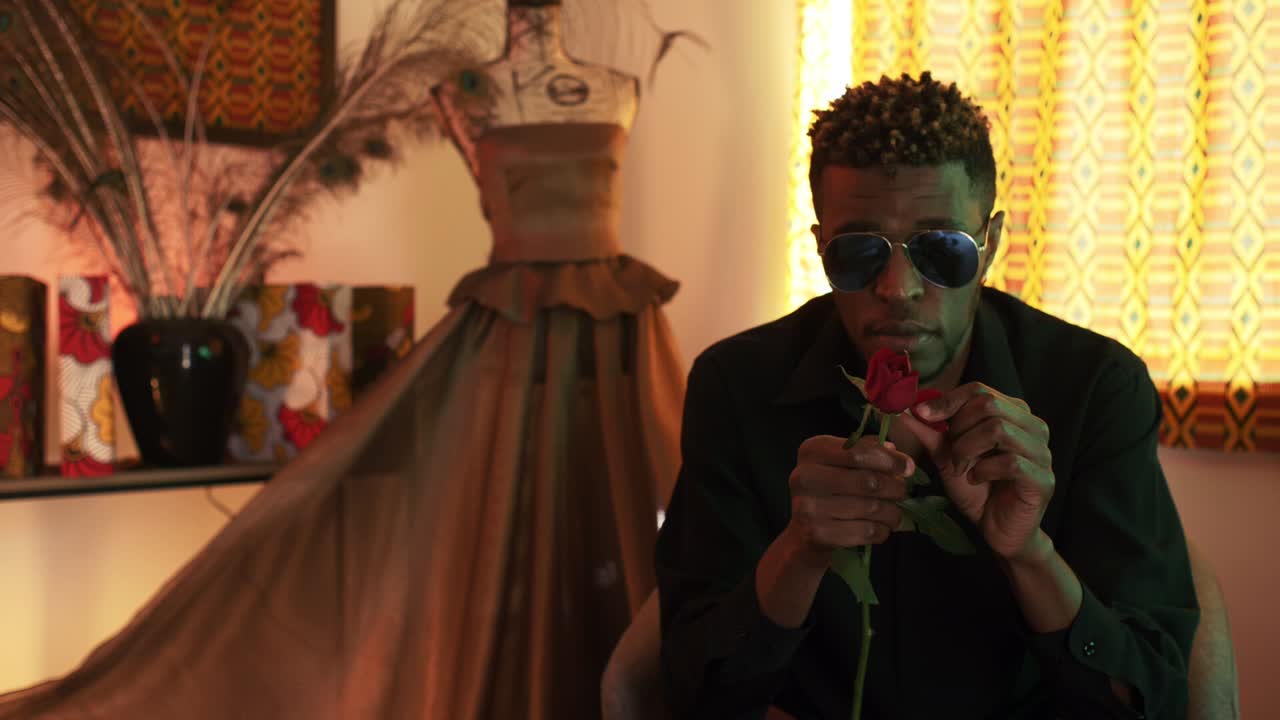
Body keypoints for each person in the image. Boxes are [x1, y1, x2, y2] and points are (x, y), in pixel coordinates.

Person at [0, 1, 688, 718]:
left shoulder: (620, 87)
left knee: (638, 534)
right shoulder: (463, 94)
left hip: (614, 350)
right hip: (509, 351)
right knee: (494, 558)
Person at [655, 72, 1199, 719]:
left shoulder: (1092, 387)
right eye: (860, 251)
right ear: (821, 247)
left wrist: (1029, 554)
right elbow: (697, 688)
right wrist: (800, 553)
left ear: (990, 244)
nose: (898, 286)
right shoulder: (737, 384)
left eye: (940, 249)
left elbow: (1150, 695)